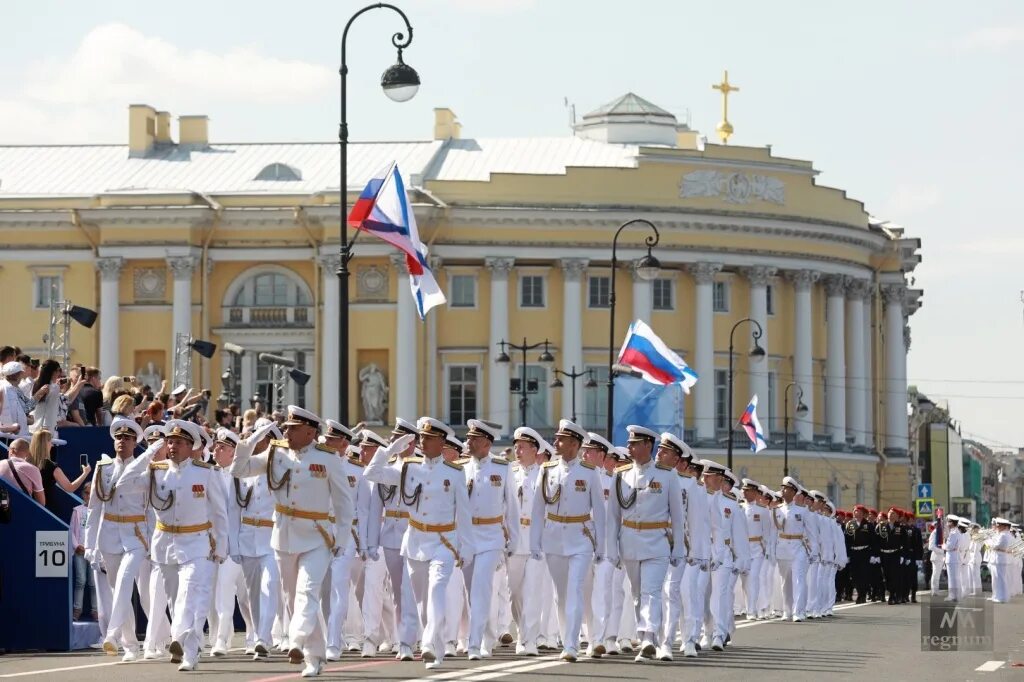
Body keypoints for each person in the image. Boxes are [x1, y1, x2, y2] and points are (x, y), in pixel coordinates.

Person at [229, 406, 356, 678]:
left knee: (307, 592)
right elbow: (239, 471)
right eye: (285, 427)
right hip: (283, 536)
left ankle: (297, 641)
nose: (286, 431)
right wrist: (247, 444)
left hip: (317, 536)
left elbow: (345, 505)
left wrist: (342, 540)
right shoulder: (276, 452)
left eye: (293, 428)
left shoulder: (329, 459)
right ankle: (315, 655)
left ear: (310, 432)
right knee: (290, 598)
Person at [363, 417, 471, 671]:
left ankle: (431, 645)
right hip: (415, 542)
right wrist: (389, 451)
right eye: (421, 437)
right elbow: (372, 473)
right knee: (419, 600)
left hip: (444, 541)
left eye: (429, 438)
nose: (422, 441)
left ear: (441, 442)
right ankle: (426, 640)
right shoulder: (409, 468)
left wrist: (466, 547)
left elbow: (464, 513)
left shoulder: (454, 472)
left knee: (436, 593)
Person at [606, 425, 685, 662]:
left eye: (634, 444)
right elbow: (613, 517)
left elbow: (678, 517)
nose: (629, 447)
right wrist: (612, 549)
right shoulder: (621, 475)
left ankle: (649, 639)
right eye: (629, 443)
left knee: (652, 592)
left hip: (657, 542)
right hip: (629, 542)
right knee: (638, 594)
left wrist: (679, 548)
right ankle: (657, 642)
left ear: (647, 446)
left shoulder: (667, 475)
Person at [530, 418, 606, 664]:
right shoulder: (547, 469)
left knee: (574, 590)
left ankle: (572, 644)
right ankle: (567, 638)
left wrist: (600, 546)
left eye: (561, 439)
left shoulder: (589, 472)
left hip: (580, 538)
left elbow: (600, 513)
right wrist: (535, 542)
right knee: (560, 594)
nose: (555, 442)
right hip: (553, 538)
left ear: (574, 444)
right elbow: (537, 508)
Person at [85, 418, 151, 662]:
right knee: (118, 590)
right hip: (110, 534)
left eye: (128, 438)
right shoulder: (104, 469)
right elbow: (94, 508)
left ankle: (113, 636)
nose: (122, 441)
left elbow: (151, 509)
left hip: (135, 534)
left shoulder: (145, 469)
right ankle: (131, 645)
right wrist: (90, 544)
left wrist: (154, 539)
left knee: (125, 582)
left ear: (135, 443)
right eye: (119, 438)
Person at [459, 419, 518, 660]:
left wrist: (513, 539)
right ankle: (486, 635)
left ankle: (476, 644)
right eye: (469, 438)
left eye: (473, 438)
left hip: (492, 536)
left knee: (482, 587)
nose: (468, 442)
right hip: (467, 537)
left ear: (486, 442)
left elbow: (512, 507)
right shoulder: (461, 468)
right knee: (472, 591)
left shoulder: (503, 468)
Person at [507, 427, 545, 657]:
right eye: (516, 447)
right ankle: (522, 628)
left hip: (535, 538)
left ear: (534, 450)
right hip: (514, 538)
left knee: (532, 590)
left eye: (522, 447)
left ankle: (528, 638)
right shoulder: (509, 473)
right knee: (514, 592)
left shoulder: (544, 474)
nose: (517, 451)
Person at [31, 429, 91, 515]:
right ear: (45, 444)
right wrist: (85, 473)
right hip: (46, 510)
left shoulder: (26, 462)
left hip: (29, 505)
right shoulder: (51, 467)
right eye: (50, 442)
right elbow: (70, 488)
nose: (52, 445)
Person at [71, 482, 98, 621]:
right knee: (80, 581)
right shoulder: (77, 510)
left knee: (94, 583)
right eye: (87, 493)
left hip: (93, 552)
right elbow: (72, 531)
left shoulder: (99, 511)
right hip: (79, 552)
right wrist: (76, 546)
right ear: (83, 494)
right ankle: (77, 610)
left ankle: (95, 610)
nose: (89, 496)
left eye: (91, 493)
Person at [0, 437, 45, 504]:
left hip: (3, 506)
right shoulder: (33, 469)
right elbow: (41, 501)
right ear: (28, 453)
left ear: (12, 450)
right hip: (22, 507)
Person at [0, 361, 30, 439]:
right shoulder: (4, 388)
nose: (22, 376)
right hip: (8, 436)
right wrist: (10, 428)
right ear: (17, 375)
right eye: (21, 374)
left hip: (16, 435)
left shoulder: (14, 389)